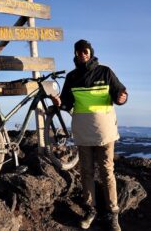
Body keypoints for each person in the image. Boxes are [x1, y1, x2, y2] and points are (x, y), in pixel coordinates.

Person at [51, 39, 127, 231]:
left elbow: (120, 91)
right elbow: (68, 103)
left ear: (90, 52)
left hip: (105, 132)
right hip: (83, 131)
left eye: (85, 51)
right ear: (75, 54)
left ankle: (112, 214)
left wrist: (122, 97)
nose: (82, 54)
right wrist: (60, 102)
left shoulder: (105, 72)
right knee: (86, 172)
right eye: (78, 52)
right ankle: (90, 209)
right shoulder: (72, 76)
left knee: (106, 171)